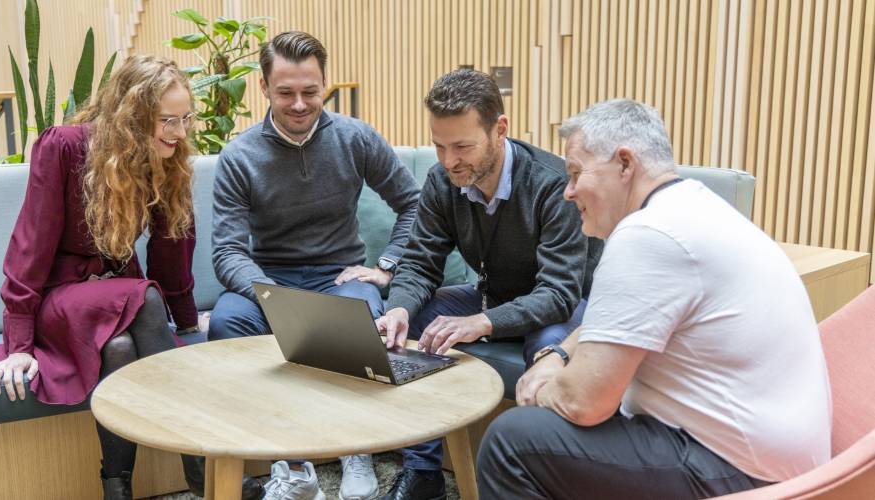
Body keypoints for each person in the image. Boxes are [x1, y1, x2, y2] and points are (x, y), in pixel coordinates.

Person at [476, 98, 832, 499]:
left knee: (513, 440)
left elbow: (583, 402)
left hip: (745, 471)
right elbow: (613, 323)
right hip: (781, 455)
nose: (568, 192)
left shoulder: (648, 235)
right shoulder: (692, 208)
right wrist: (558, 355)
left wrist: (539, 388)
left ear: (625, 164)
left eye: (576, 174)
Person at [0, 55, 262, 500]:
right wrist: (18, 345)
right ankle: (199, 466)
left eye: (185, 118)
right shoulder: (66, 147)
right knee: (145, 298)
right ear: (132, 117)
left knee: (118, 348)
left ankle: (116, 486)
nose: (179, 132)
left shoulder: (165, 157)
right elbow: (29, 247)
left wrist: (189, 321)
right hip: (60, 300)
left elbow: (172, 251)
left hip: (118, 302)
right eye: (167, 120)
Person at [374, 69, 602, 500]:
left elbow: (558, 293)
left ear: (500, 129)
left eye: (462, 146)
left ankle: (547, 483)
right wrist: (399, 309)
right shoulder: (444, 181)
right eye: (439, 146)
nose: (448, 161)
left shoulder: (553, 186)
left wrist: (481, 322)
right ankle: (423, 473)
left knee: (550, 348)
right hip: (492, 297)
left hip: (560, 308)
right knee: (402, 324)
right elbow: (421, 263)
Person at [210, 31, 419, 500]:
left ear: (324, 83)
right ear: (264, 88)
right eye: (286, 92)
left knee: (362, 316)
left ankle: (355, 448)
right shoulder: (239, 156)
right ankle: (293, 463)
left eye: (311, 91)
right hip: (269, 277)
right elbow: (226, 251)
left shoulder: (355, 137)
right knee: (225, 323)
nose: (300, 104)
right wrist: (272, 294)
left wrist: (385, 266)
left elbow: (415, 205)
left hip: (339, 275)